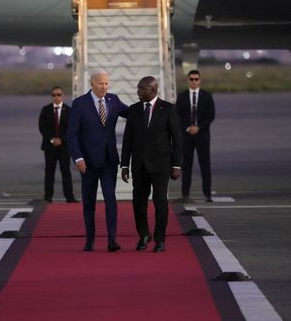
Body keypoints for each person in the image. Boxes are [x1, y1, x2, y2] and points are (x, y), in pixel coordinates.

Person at [67, 69, 128, 252]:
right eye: (101, 83)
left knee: (111, 200)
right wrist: (78, 157)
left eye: (107, 83)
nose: (104, 86)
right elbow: (72, 134)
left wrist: (151, 105)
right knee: (89, 202)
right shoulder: (80, 104)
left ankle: (112, 239)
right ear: (92, 83)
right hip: (88, 162)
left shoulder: (113, 100)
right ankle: (90, 239)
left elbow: (132, 113)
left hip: (109, 161)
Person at [120, 76, 181, 252]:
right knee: (138, 202)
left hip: (161, 164)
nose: (138, 91)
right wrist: (124, 165)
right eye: (138, 88)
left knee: (160, 201)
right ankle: (144, 234)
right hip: (139, 165)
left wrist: (176, 165)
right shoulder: (134, 110)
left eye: (141, 88)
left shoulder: (168, 109)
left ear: (152, 90)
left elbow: (177, 140)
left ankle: (160, 239)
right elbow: (127, 140)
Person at [176, 70, 216, 201]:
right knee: (186, 165)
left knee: (205, 165)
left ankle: (208, 194)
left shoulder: (207, 96)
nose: (194, 81)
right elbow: (178, 115)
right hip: (187, 136)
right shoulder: (181, 96)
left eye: (196, 79)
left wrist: (199, 127)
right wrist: (188, 127)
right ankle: (185, 194)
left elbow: (211, 115)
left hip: (202, 135)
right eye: (191, 79)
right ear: (188, 80)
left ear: (200, 80)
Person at [38, 86, 77, 203]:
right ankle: (48, 196)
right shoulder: (45, 110)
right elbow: (42, 127)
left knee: (66, 171)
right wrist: (52, 140)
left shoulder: (69, 110)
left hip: (64, 147)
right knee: (49, 171)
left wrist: (61, 140)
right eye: (54, 95)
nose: (56, 97)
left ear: (63, 96)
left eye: (59, 95)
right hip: (49, 146)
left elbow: (71, 128)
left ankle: (69, 196)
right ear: (52, 96)